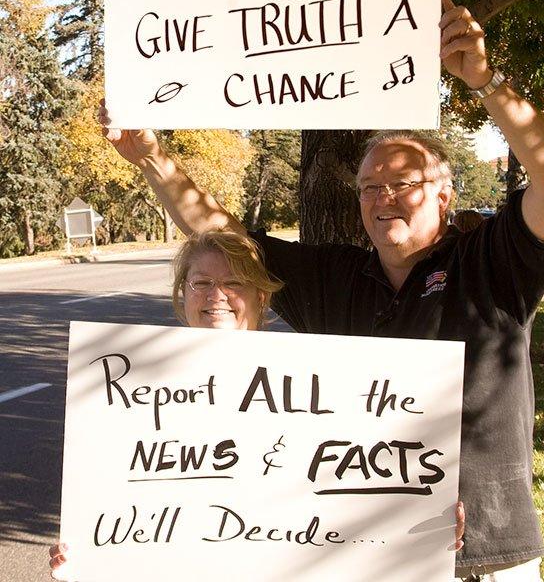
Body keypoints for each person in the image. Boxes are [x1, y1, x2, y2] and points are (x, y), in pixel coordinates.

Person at [95, 0, 544, 579]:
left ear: (444, 195)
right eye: (368, 187)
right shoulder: (336, 279)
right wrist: (151, 157)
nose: (383, 199)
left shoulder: (493, 264)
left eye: (402, 182)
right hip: (374, 554)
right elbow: (223, 235)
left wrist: (484, 80)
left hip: (486, 554)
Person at [49, 229, 466, 576]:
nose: (217, 295)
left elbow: (367, 478)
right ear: (183, 293)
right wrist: (86, 552)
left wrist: (420, 524)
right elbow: (116, 507)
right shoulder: (131, 391)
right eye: (202, 283)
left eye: (234, 283)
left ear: (261, 297)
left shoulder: (320, 384)